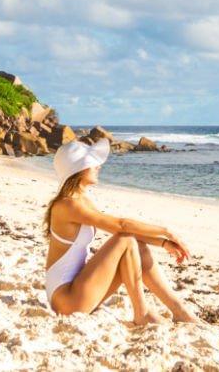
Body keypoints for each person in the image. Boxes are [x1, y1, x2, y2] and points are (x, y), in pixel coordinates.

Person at [42, 138, 197, 324]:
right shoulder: (67, 205)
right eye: (93, 163)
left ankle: (179, 311)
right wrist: (166, 231)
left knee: (136, 245)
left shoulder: (81, 200)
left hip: (77, 291)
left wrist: (163, 243)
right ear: (79, 169)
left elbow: (121, 230)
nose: (98, 166)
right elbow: (122, 226)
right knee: (126, 239)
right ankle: (142, 313)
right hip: (66, 300)